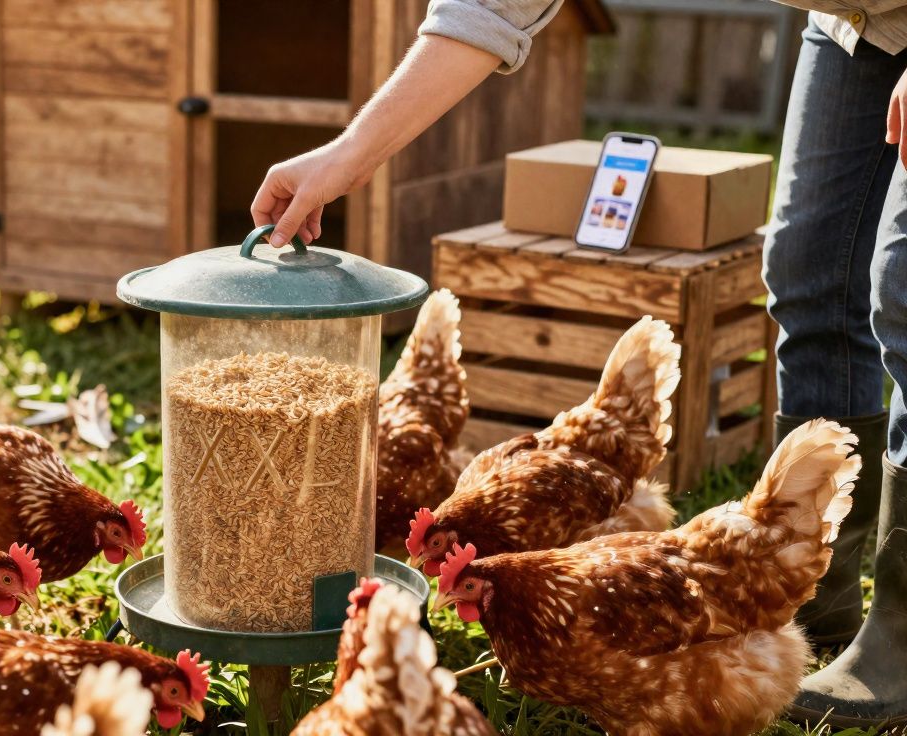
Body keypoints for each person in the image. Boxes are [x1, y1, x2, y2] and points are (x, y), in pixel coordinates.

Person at [250, 1, 906, 728]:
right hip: (853, 24)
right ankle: (821, 592)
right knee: (808, 275)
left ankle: (901, 636)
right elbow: (489, 8)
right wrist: (348, 154)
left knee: (902, 291)